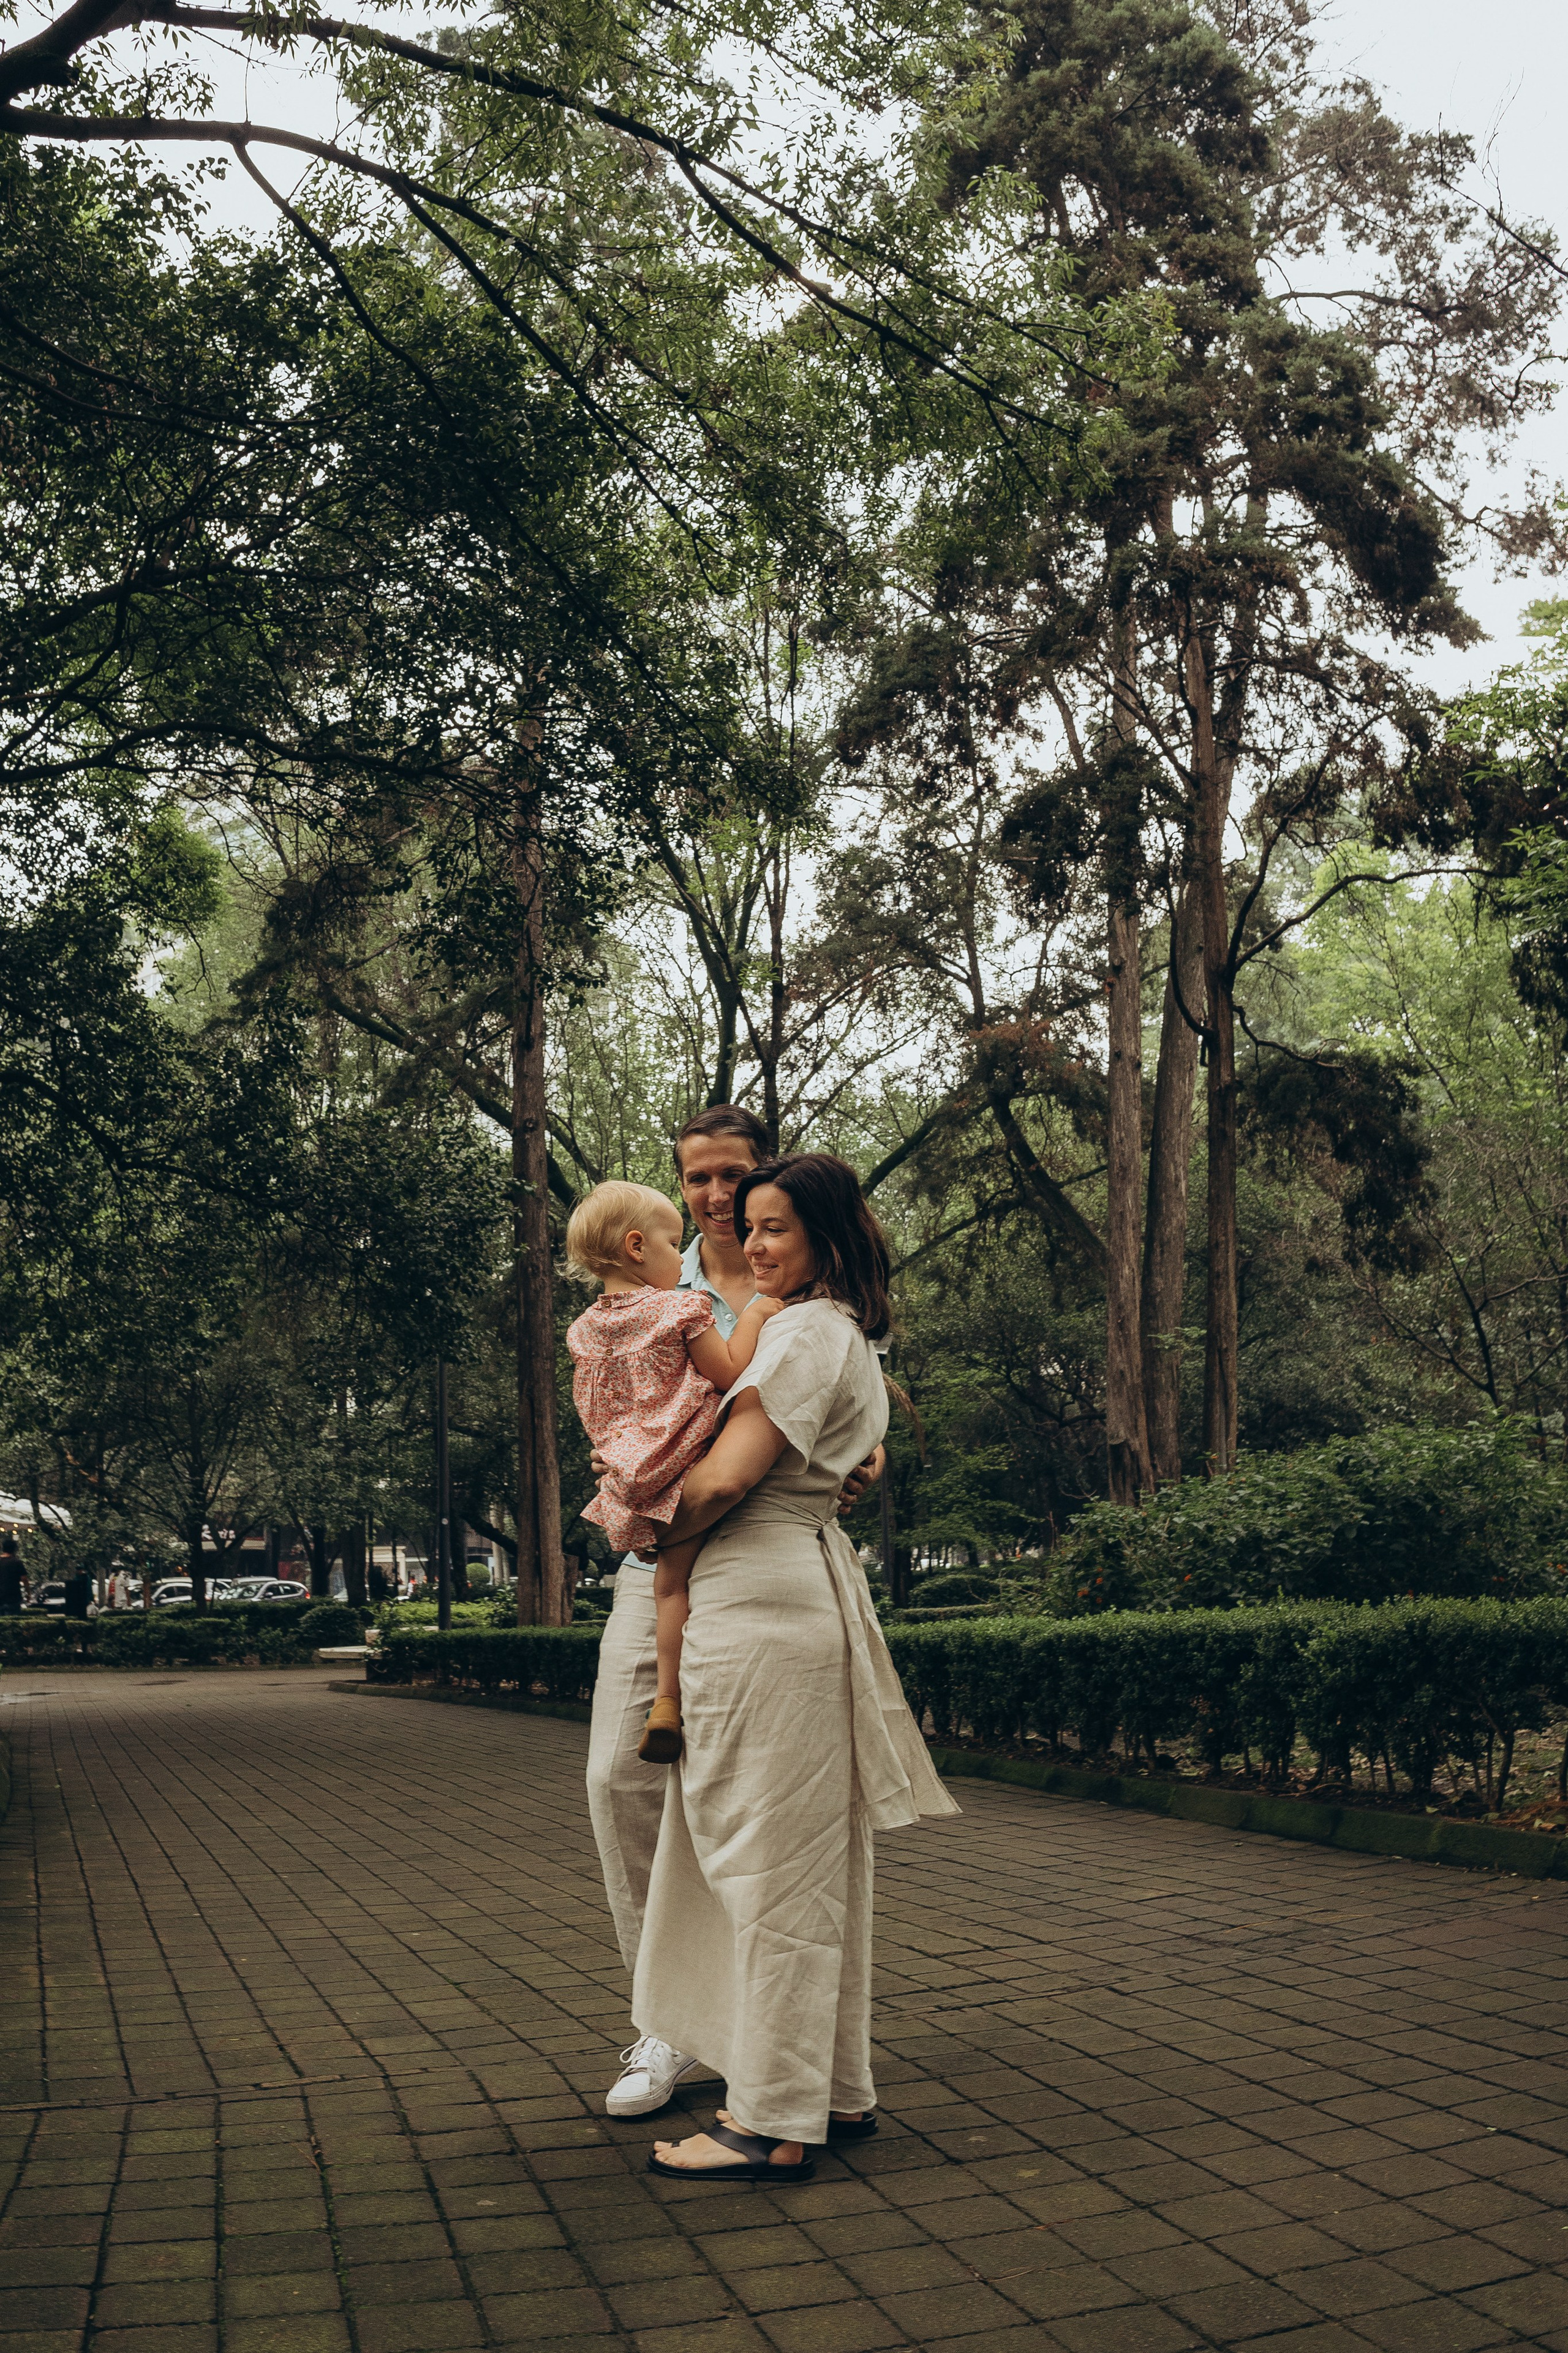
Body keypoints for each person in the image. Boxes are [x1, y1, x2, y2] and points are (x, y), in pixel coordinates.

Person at [631, 1152, 959, 2180]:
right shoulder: (834, 1333)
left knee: (761, 1867)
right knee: (809, 1869)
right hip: (788, 1597)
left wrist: (638, 1524)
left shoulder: (806, 1333)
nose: (753, 1242)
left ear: (825, 1234)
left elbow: (724, 1482)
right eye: (749, 1226)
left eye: (775, 1226)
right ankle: (829, 2094)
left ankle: (763, 2118)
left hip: (759, 1609)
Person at [585, 1106, 883, 2120]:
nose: (719, 1199)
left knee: (746, 1812)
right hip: (661, 1551)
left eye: (736, 1178)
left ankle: (755, 2038)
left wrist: (859, 1461)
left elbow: (845, 1402)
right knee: (619, 1776)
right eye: (698, 1178)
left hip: (751, 1553)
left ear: (767, 1177)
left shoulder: (799, 1285)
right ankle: (667, 2019)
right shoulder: (646, 1279)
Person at [564, 1180, 782, 1760]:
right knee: (674, 1587)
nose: (678, 1259)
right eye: (670, 1244)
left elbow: (596, 1408)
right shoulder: (679, 1308)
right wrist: (758, 1313)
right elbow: (728, 1371)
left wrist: (621, 1458)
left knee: (664, 1586)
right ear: (637, 1246)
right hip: (690, 1466)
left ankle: (664, 1705)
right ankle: (668, 1700)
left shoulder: (583, 1331)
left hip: (633, 1477)